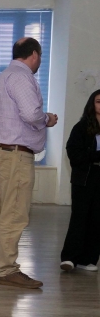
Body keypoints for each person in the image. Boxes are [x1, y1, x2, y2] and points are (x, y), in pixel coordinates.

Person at [0, 37, 58, 289]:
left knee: (0, 212)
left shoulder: (2, 77)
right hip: (15, 156)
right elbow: (30, 114)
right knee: (15, 213)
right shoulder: (22, 77)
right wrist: (47, 119)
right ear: (35, 55)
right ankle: (8, 270)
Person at [60, 89, 100, 272]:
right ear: (92, 104)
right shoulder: (81, 127)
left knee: (97, 218)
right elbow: (74, 153)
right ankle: (69, 258)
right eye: (98, 101)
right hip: (85, 177)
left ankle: (88, 259)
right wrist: (95, 156)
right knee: (79, 217)